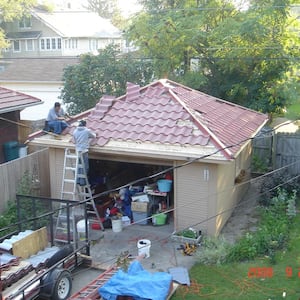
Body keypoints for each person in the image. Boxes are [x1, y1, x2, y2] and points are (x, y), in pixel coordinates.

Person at [73, 119, 96, 185]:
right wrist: (95, 133)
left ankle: (77, 180)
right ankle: (82, 182)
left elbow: (75, 140)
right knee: (85, 167)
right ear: (84, 125)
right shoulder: (86, 131)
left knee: (79, 166)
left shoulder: (75, 131)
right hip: (84, 151)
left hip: (78, 151)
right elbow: (93, 136)